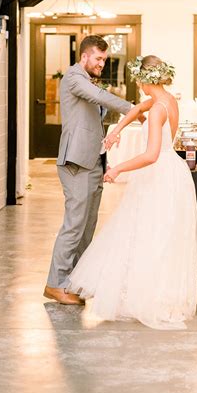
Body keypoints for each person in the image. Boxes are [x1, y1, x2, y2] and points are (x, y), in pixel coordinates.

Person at [67, 55, 197, 330]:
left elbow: (151, 155)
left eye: (138, 79)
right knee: (160, 234)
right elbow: (137, 108)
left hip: (159, 175)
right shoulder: (166, 99)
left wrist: (118, 168)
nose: (137, 84)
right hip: (173, 172)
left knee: (148, 233)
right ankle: (159, 291)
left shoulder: (158, 110)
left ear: (144, 79)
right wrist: (117, 130)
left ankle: (149, 296)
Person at [44, 35, 133, 305]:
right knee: (74, 225)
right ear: (84, 56)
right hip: (76, 163)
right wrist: (135, 109)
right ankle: (55, 284)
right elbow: (100, 97)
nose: (102, 64)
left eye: (104, 60)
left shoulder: (87, 80)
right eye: (98, 58)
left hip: (94, 161)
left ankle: (76, 280)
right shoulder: (74, 78)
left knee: (87, 226)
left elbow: (92, 121)